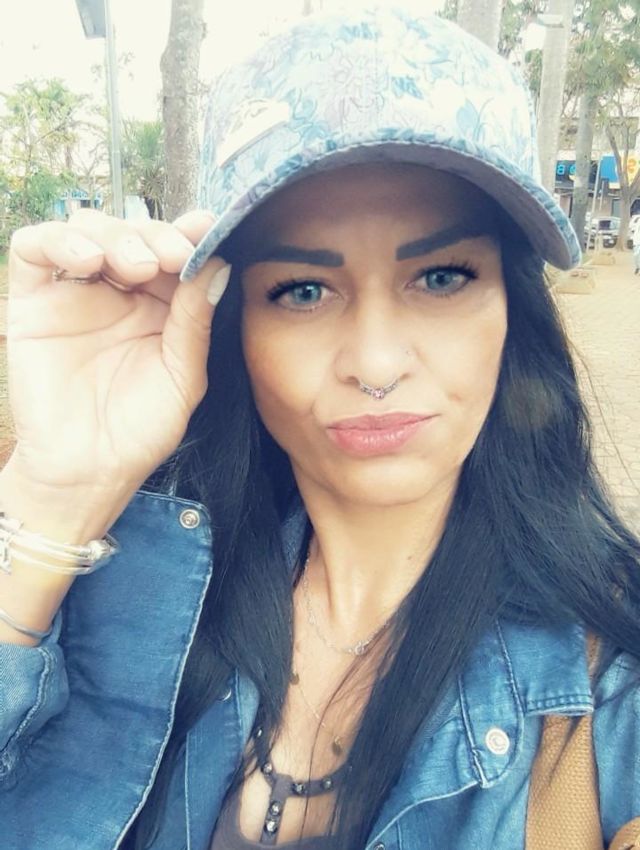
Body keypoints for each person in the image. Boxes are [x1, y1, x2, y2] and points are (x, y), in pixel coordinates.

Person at [0, 5, 639, 850]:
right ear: (234, 327)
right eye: (303, 291)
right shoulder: (115, 592)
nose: (375, 364)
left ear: (511, 312)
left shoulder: (612, 693)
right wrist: (57, 494)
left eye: (441, 277)